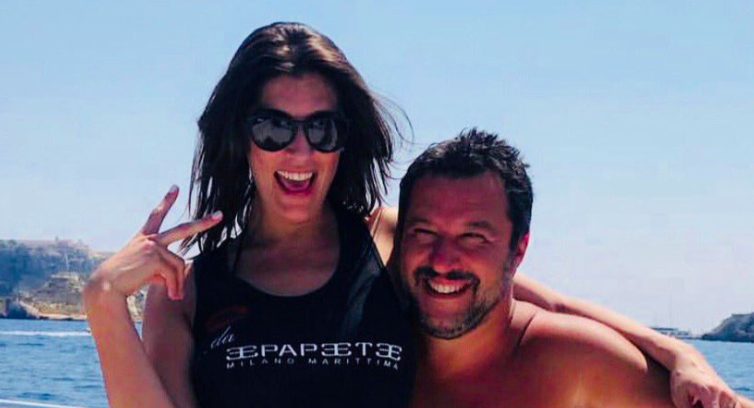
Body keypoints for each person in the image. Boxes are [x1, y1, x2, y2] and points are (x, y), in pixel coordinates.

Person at [84, 22, 739, 408]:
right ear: (241, 138)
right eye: (274, 127)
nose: (300, 151)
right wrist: (103, 300)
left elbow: (547, 305)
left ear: (345, 140)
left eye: (322, 128)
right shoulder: (188, 289)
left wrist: (680, 353)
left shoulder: (391, 240)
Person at [395, 129, 754, 408]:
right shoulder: (377, 346)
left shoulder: (576, 363)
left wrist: (681, 354)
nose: (442, 260)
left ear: (519, 249)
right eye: (424, 232)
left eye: (473, 237)